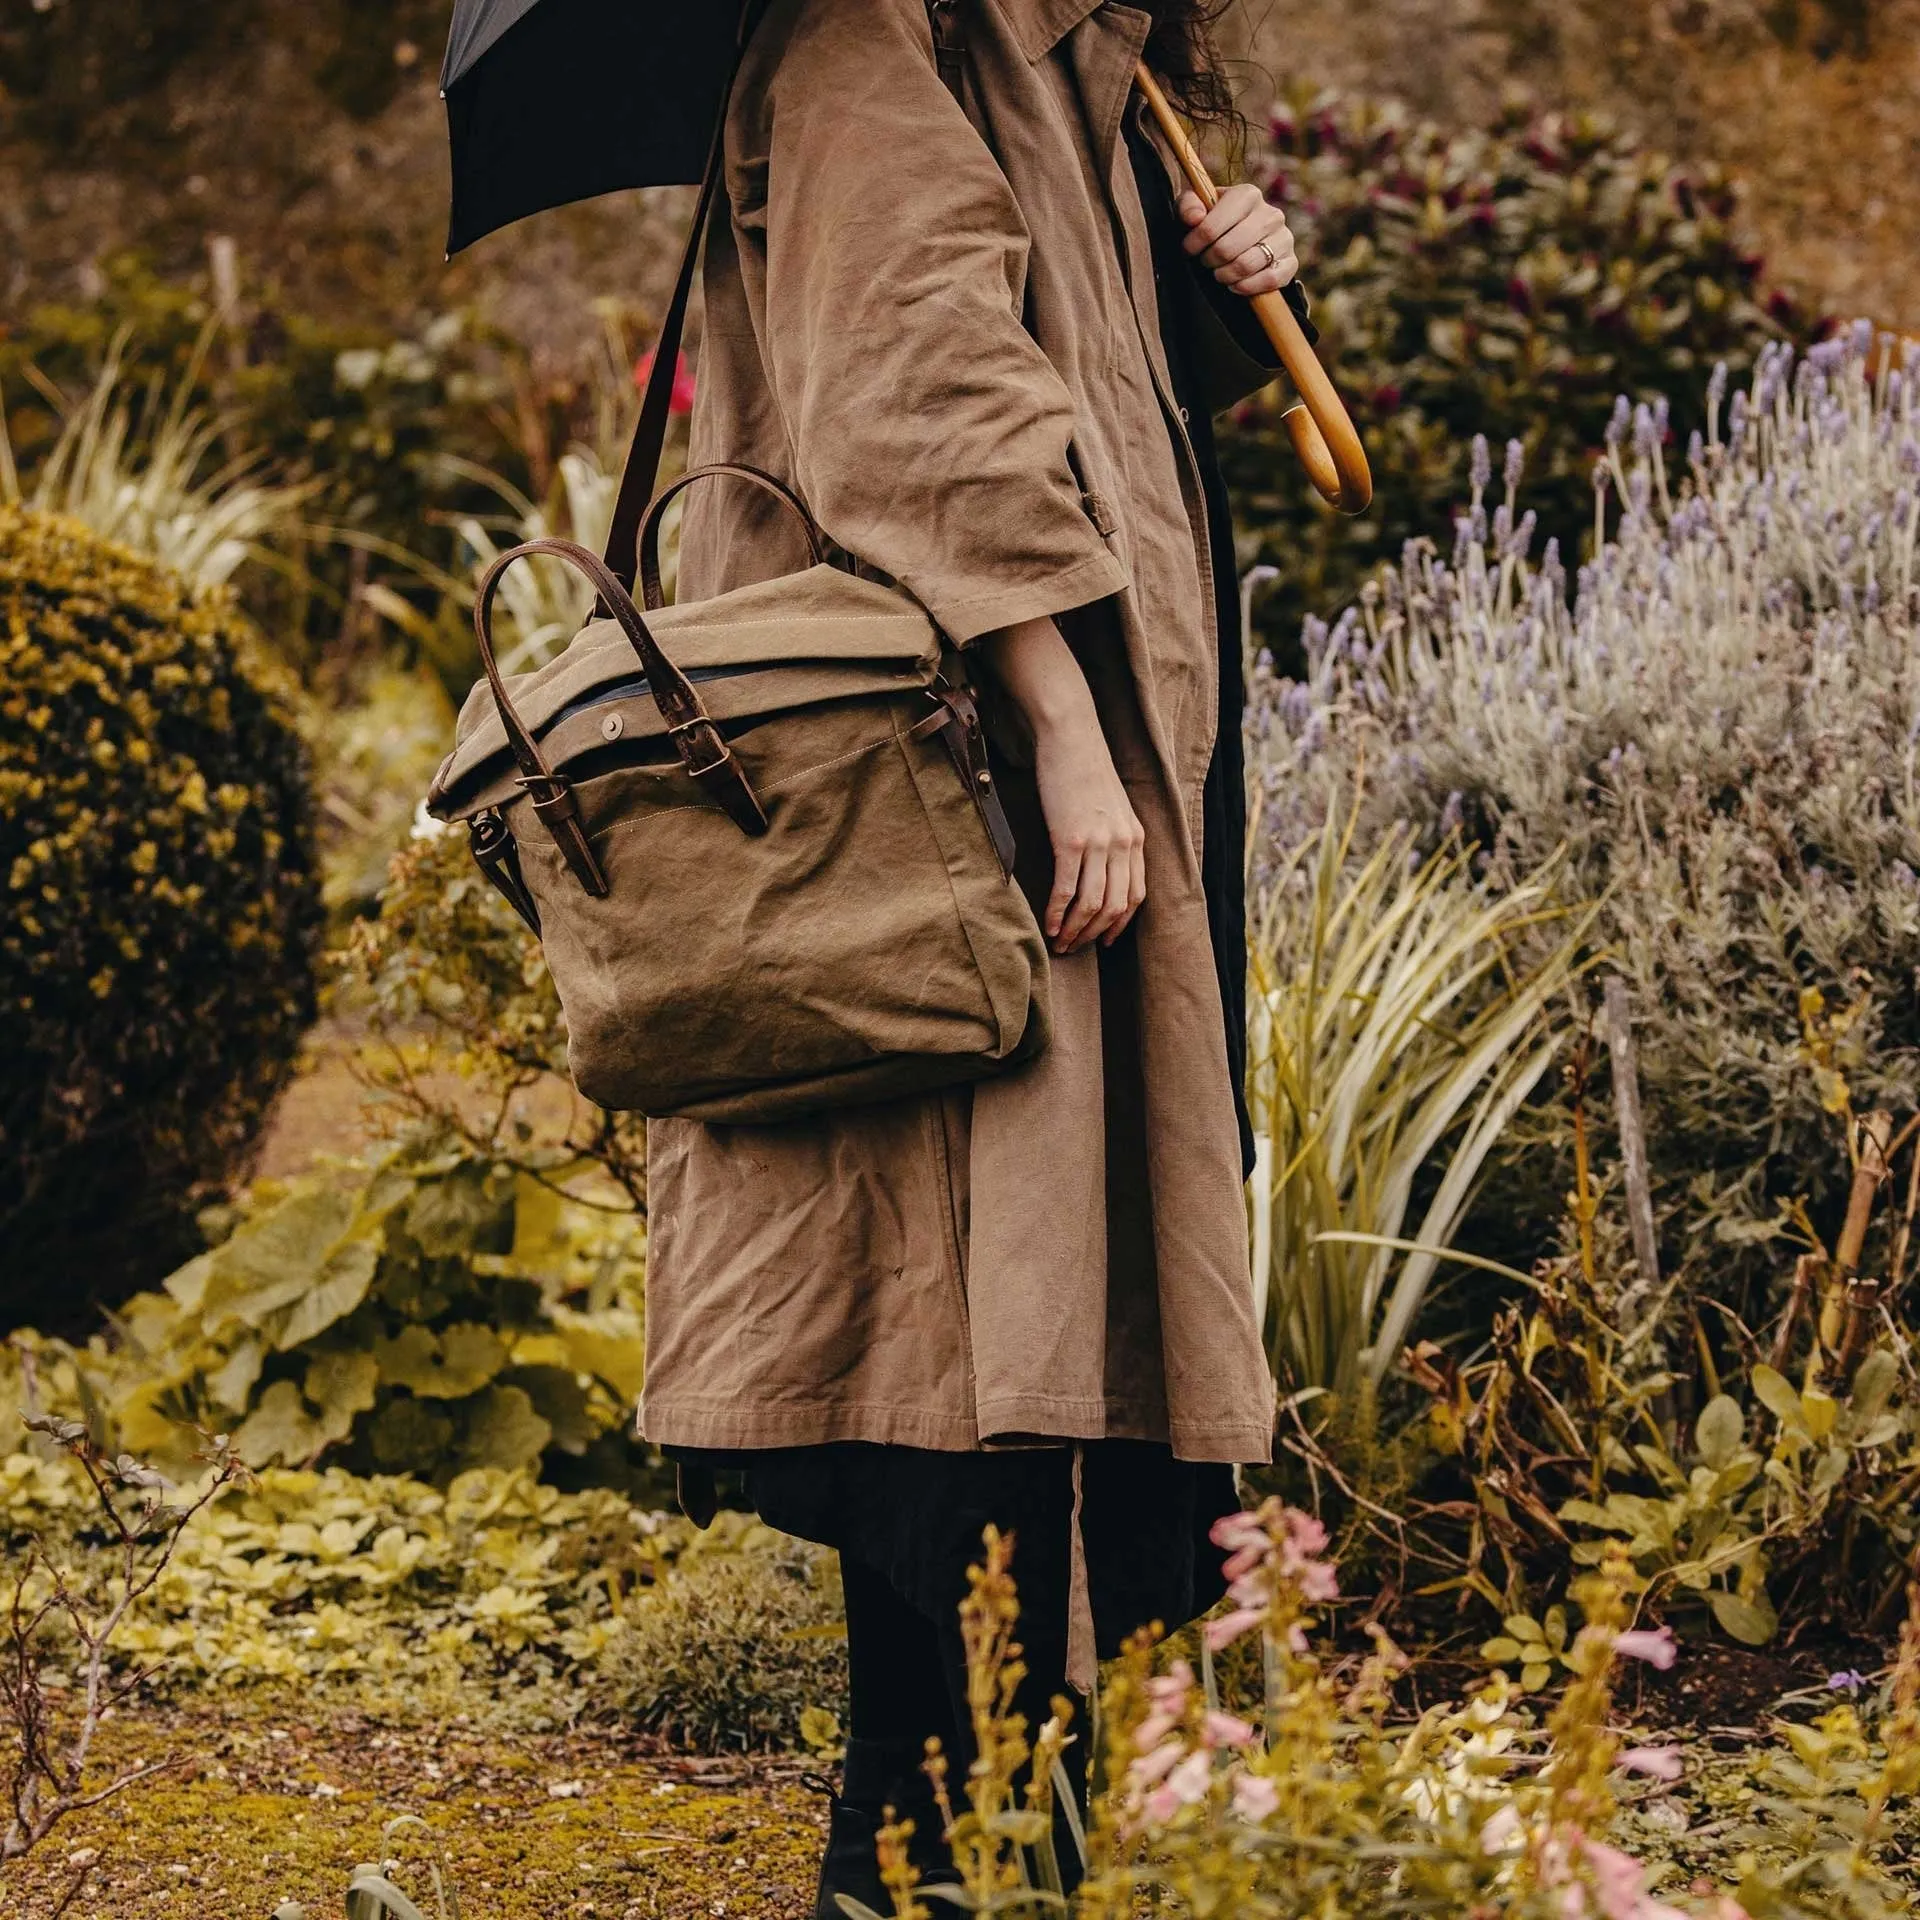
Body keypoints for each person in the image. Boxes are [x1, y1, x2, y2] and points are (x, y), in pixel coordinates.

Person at [634, 1, 1303, 1908]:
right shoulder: (864, 33)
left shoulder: (1100, 54)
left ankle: (1024, 1835)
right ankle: (916, 1856)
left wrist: (1223, 267)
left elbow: (1080, 381)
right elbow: (910, 397)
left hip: (1097, 749)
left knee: (1062, 1286)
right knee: (954, 1308)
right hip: (958, 771)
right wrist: (1065, 731)